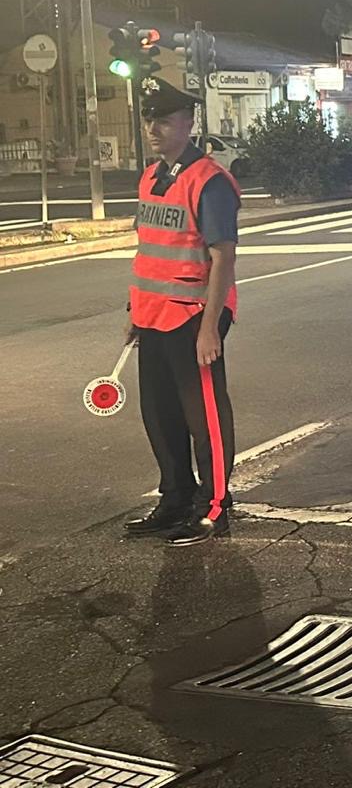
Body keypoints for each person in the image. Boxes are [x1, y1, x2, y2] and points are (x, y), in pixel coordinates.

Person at [121, 78, 241, 548]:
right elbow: (150, 250)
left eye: (164, 120)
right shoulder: (151, 177)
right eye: (149, 120)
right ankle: (175, 498)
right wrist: (135, 310)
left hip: (194, 315)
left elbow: (223, 258)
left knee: (204, 415)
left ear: (188, 123)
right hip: (153, 315)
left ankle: (214, 507)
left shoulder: (209, 182)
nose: (153, 129)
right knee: (159, 413)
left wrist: (210, 328)